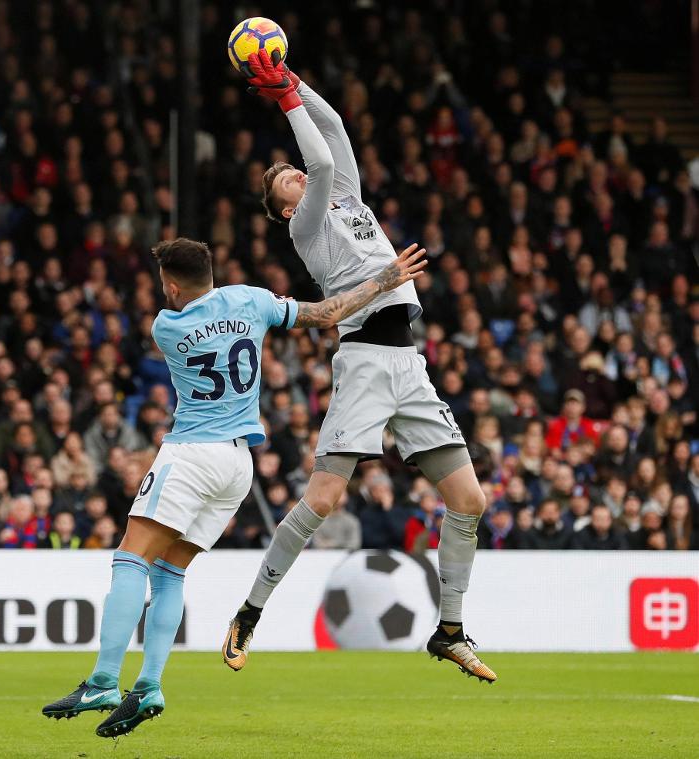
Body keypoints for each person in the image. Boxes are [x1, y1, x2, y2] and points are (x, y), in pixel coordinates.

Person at [41, 236, 425, 736]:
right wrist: (384, 281)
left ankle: (103, 680)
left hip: (193, 452)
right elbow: (327, 313)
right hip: (238, 465)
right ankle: (149, 686)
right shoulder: (252, 300)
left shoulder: (167, 325)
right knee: (170, 574)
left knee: (131, 558)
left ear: (172, 286)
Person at [227, 49, 496, 683]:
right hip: (367, 360)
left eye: (288, 170)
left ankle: (449, 630)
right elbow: (317, 157)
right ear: (287, 209)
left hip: (411, 364)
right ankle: (250, 612)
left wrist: (293, 84)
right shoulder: (309, 225)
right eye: (282, 180)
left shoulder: (342, 196)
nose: (293, 172)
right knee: (322, 499)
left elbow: (334, 133)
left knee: (469, 499)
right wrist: (285, 100)